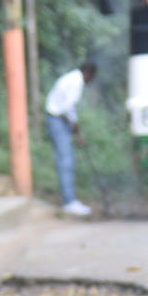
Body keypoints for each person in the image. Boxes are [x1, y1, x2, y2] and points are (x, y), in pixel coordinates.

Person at [44, 59, 97, 217]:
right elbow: (68, 108)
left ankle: (70, 199)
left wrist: (74, 128)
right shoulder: (77, 81)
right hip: (58, 120)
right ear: (89, 74)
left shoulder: (72, 78)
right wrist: (76, 128)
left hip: (58, 119)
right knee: (66, 161)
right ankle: (69, 201)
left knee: (66, 160)